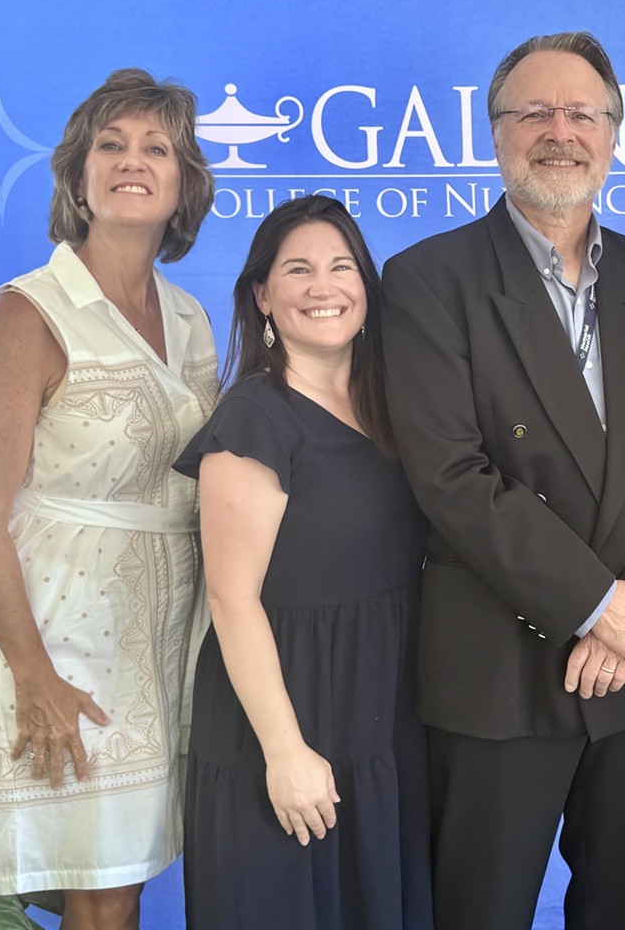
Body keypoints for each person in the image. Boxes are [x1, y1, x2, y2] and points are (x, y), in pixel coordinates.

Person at [380, 31, 625, 930]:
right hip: (498, 675)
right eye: (534, 112)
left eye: (583, 113)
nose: (559, 130)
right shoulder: (425, 281)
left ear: (613, 134)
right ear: (495, 134)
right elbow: (451, 476)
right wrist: (596, 602)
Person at [0, 68, 217, 928]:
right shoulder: (30, 313)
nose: (132, 162)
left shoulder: (191, 319)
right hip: (59, 636)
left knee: (124, 877)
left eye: (157, 148)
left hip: (165, 635)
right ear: (77, 176)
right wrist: (33, 676)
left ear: (183, 186)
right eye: (111, 145)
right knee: (96, 884)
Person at [173, 195, 431, 929]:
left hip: (379, 714)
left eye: (341, 266)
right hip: (285, 716)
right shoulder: (253, 418)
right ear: (262, 294)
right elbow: (231, 599)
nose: (325, 287)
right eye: (298, 270)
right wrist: (285, 752)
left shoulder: (394, 405)